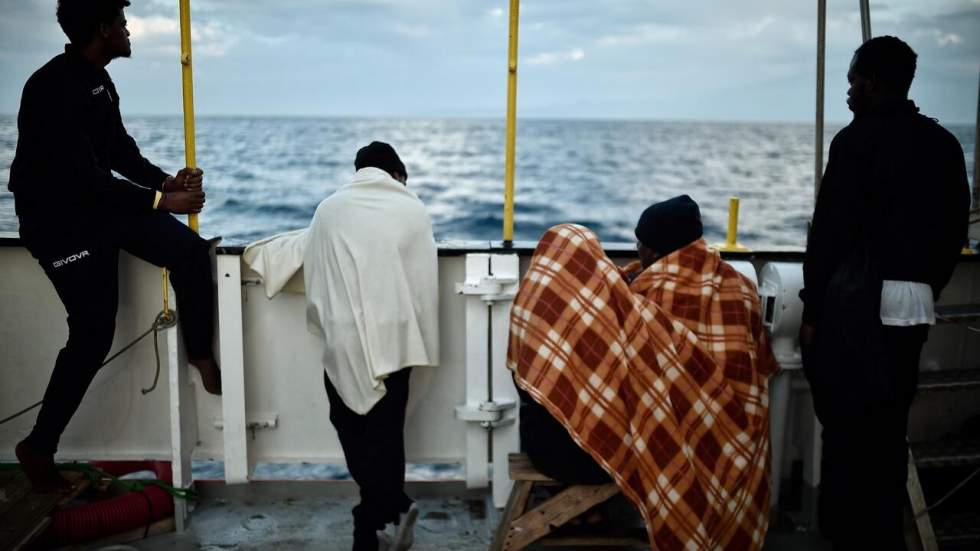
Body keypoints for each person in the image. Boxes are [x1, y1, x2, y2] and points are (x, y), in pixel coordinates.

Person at [9, 0, 221, 492]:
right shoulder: (50, 87)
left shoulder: (100, 81)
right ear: (102, 29)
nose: (129, 31)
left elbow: (118, 151)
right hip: (59, 223)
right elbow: (79, 175)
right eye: (123, 24)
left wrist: (164, 180)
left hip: (99, 206)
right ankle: (38, 447)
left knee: (188, 251)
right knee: (92, 331)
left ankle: (200, 353)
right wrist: (159, 201)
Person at [508, 196, 777, 550]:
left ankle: (592, 513)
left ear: (657, 248)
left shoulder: (643, 295)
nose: (638, 252)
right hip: (738, 439)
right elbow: (762, 362)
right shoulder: (740, 287)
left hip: (668, 442)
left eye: (642, 245)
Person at [800, 36, 970, 550]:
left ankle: (842, 536)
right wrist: (924, 284)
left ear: (872, 82)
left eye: (853, 79)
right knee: (888, 429)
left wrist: (812, 306)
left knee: (846, 426)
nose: (849, 90)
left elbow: (830, 232)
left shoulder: (855, 142)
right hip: (913, 302)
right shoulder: (943, 144)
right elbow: (953, 230)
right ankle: (881, 537)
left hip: (855, 306)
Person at [304, 142, 439, 551]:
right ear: (397, 171)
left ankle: (373, 522)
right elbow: (421, 278)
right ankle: (389, 508)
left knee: (350, 424)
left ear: (358, 170)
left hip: (344, 336)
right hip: (396, 336)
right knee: (386, 429)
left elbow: (315, 266)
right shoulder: (412, 208)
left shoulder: (329, 209)